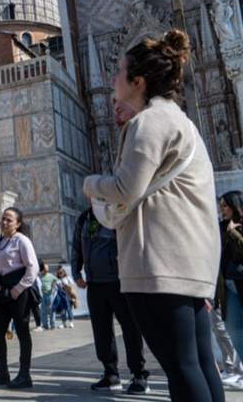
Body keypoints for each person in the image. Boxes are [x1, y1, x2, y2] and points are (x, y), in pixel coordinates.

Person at [83, 30, 222, 402]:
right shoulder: (181, 120)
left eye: (118, 72)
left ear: (137, 82)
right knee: (198, 364)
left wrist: (91, 183)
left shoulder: (149, 121)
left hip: (158, 262)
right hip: (188, 260)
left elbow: (126, 187)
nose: (113, 80)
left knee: (181, 367)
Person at [71, 201, 150, 394]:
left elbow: (131, 239)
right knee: (101, 331)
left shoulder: (115, 215)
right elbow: (76, 247)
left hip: (118, 282)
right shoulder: (84, 219)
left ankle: (139, 375)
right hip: (94, 284)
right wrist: (76, 273)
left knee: (130, 328)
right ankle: (110, 374)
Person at [0, 207, 38, 390]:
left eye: (9, 220)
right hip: (3, 291)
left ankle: (25, 374)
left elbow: (33, 267)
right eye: (3, 219)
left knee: (22, 331)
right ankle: (2, 372)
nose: (4, 222)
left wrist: (19, 288)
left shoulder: (22, 241)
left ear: (18, 224)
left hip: (18, 291)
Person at [218, 190, 243, 389]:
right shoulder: (221, 227)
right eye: (221, 206)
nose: (222, 209)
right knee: (233, 329)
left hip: (241, 282)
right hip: (228, 285)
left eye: (225, 205)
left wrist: (233, 231)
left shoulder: (236, 227)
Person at [38, 263, 59, 330]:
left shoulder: (51, 276)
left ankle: (52, 325)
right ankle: (45, 325)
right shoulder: (39, 275)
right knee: (43, 310)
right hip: (42, 295)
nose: (45, 271)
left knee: (51, 310)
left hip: (50, 295)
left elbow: (58, 281)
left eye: (46, 270)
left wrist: (57, 282)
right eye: (44, 269)